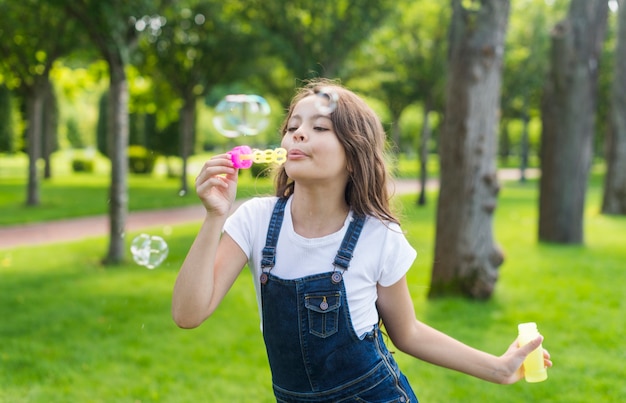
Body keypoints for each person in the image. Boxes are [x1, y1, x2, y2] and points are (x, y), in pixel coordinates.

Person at [172, 79, 552, 402]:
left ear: (353, 156)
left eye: (320, 128)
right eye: (293, 127)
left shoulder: (377, 235)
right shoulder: (255, 220)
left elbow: (409, 333)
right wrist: (214, 216)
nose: (299, 133)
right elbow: (188, 314)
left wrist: (499, 369)